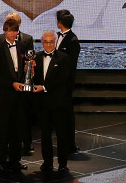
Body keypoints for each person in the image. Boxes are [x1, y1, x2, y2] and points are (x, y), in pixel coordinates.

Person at [0, 18, 28, 173]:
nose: (12, 34)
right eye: (9, 31)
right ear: (5, 31)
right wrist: (11, 84)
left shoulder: (22, 46)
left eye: (14, 31)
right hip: (5, 95)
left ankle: (15, 160)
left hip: (19, 96)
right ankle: (0, 161)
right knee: (3, 129)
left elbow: (24, 68)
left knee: (17, 129)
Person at [0, 12, 35, 154]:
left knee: (21, 120)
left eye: (14, 28)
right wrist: (11, 83)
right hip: (6, 91)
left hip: (21, 90)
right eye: (9, 28)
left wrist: (29, 69)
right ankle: (2, 155)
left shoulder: (24, 43)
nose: (12, 32)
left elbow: (28, 62)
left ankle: (19, 153)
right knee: (4, 123)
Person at [32, 30, 70, 174]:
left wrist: (44, 87)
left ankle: (62, 164)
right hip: (43, 103)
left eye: (51, 41)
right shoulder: (36, 57)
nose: (48, 44)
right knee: (45, 135)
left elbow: (62, 79)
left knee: (61, 134)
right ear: (42, 43)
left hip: (58, 103)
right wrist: (30, 73)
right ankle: (47, 162)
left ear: (55, 42)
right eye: (46, 42)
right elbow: (34, 78)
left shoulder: (63, 58)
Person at [56, 9, 80, 153]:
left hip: (65, 83)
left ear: (59, 22)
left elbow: (70, 65)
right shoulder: (56, 36)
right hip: (56, 82)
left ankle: (70, 142)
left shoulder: (72, 40)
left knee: (67, 113)